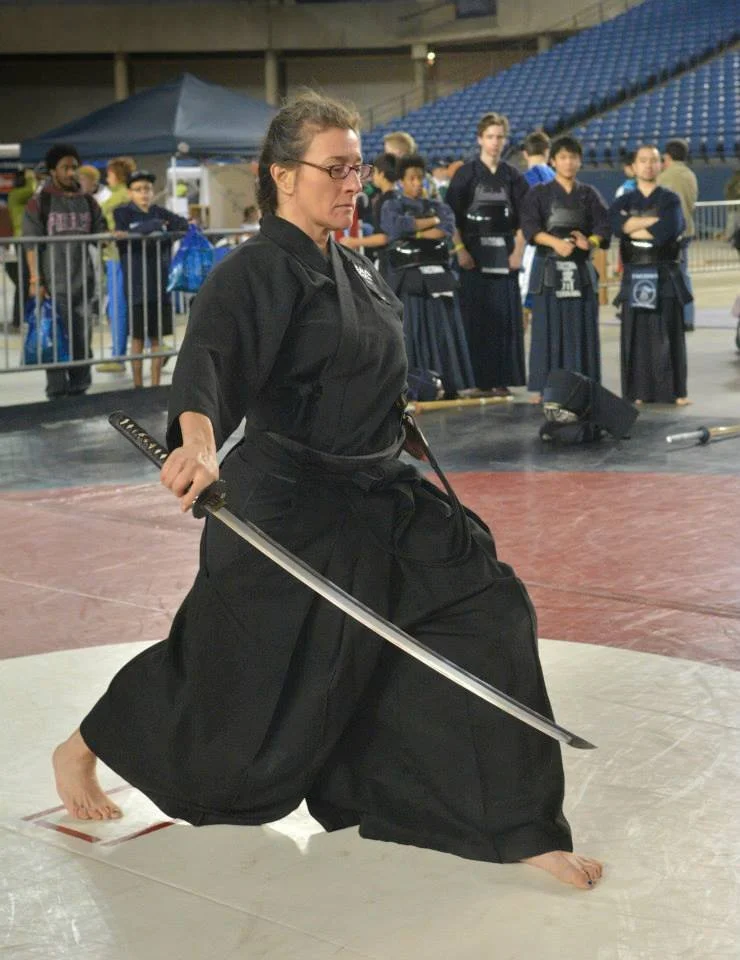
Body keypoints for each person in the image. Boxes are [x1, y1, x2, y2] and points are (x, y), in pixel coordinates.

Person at [52, 91, 602, 892]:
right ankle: (85, 745)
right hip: (287, 505)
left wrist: (396, 421)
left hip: (378, 489)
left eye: (359, 167)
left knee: (488, 608)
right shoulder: (251, 272)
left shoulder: (356, 265)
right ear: (281, 175)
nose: (354, 182)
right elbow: (208, 366)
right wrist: (198, 447)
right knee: (230, 669)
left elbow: (364, 371)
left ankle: (513, 823)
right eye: (337, 168)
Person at [445, 112, 529, 397]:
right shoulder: (465, 174)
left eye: (499, 137)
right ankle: (479, 381)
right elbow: (451, 216)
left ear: (505, 141)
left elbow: (525, 219)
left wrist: (517, 253)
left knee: (504, 319)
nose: (495, 143)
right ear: (480, 139)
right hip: (473, 256)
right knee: (477, 318)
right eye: (490, 137)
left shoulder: (512, 176)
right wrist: (459, 249)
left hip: (505, 256)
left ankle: (503, 379)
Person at [521, 136, 610, 401]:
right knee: (546, 328)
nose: (568, 162)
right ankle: (543, 386)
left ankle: (583, 383)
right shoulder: (539, 193)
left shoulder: (588, 194)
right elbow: (530, 228)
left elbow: (604, 227)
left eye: (573, 157)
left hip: (579, 269)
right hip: (548, 268)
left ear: (580, 161)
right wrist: (555, 243)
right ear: (553, 161)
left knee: (581, 328)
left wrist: (589, 241)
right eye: (563, 157)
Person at [380, 153, 475, 398]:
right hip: (408, 281)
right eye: (411, 179)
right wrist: (426, 225)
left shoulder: (439, 206)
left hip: (438, 279)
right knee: (411, 331)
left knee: (443, 330)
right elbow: (394, 227)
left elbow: (446, 228)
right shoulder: (391, 204)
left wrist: (414, 230)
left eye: (420, 178)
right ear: (401, 181)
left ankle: (449, 383)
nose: (416, 183)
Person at [22, 143, 108, 399]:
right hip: (53, 284)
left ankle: (81, 387)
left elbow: (100, 233)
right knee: (55, 337)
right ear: (52, 170)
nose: (71, 172)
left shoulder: (88, 201)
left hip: (83, 282)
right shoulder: (40, 202)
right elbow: (30, 244)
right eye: (65, 167)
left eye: (74, 167)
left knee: (82, 336)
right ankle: (57, 391)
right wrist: (36, 279)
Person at [609, 144, 691, 406]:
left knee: (669, 332)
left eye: (653, 160)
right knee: (636, 334)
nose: (648, 165)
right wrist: (651, 223)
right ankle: (638, 391)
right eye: (642, 161)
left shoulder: (670, 199)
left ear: (661, 165)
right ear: (633, 166)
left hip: (664, 271)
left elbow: (669, 230)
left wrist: (632, 226)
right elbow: (615, 225)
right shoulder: (623, 201)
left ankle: (675, 391)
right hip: (635, 272)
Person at [113, 170, 188, 388]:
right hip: (136, 283)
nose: (144, 193)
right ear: (130, 192)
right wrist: (157, 225)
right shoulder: (123, 212)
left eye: (147, 189)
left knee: (156, 338)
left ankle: (154, 385)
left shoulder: (159, 210)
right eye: (138, 189)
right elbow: (123, 233)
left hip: (159, 282)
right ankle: (137, 385)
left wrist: (145, 229)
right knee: (137, 337)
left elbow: (183, 224)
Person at [97, 156, 136, 373]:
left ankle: (118, 355)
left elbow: (101, 216)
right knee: (124, 305)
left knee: (117, 307)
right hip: (121, 256)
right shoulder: (126, 195)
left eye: (109, 173)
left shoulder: (116, 197)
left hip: (115, 256)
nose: (107, 177)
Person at [657, 138, 698, 331]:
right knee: (683, 274)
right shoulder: (690, 175)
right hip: (687, 229)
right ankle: (688, 317)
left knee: (665, 276)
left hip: (670, 232)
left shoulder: (664, 177)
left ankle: (668, 318)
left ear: (667, 156)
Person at [338, 151, 396, 267]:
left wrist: (354, 242)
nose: (372, 177)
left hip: (389, 263)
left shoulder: (385, 202)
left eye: (374, 173)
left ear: (382, 174)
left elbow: (385, 237)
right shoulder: (399, 197)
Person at [520, 131, 556, 314]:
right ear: (548, 152)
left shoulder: (523, 180)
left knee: (525, 303)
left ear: (525, 154)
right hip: (558, 247)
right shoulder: (560, 178)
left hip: (533, 248)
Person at [2, 168, 36, 331]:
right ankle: (18, 318)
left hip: (24, 239)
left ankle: (22, 317)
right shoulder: (16, 194)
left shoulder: (19, 195)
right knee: (24, 280)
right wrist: (32, 177)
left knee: (25, 280)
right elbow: (32, 189)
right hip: (22, 240)